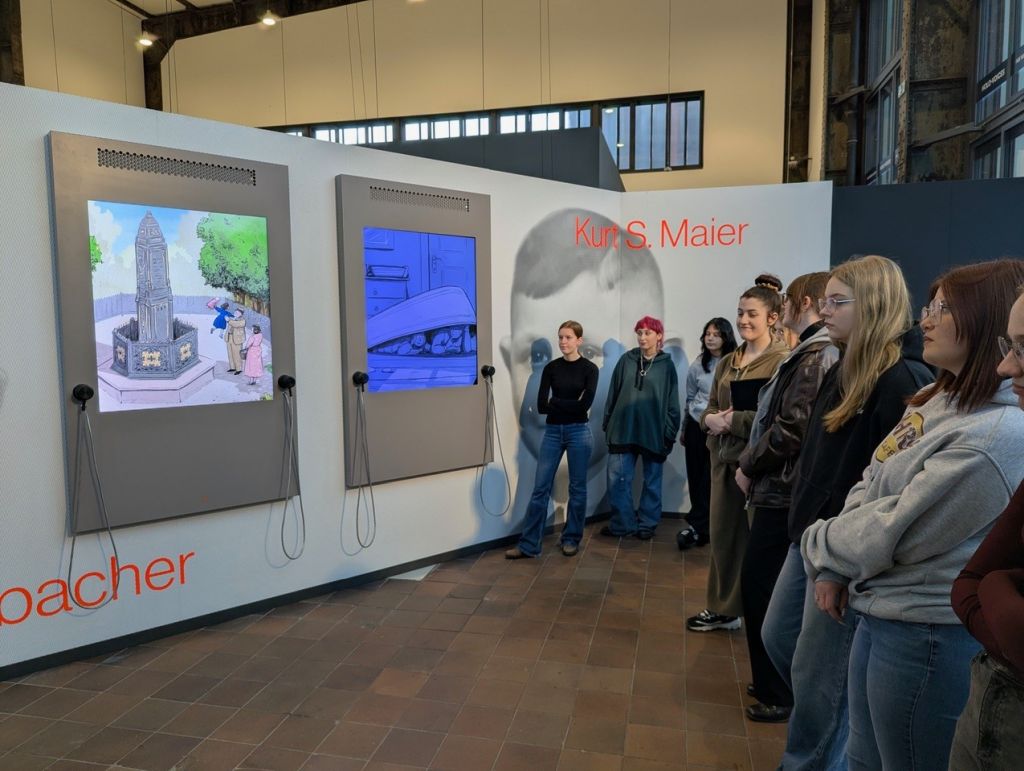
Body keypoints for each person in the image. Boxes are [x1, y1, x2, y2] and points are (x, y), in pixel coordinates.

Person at [802, 258, 1024, 771]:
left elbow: (896, 527)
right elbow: (872, 479)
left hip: (923, 632)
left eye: (943, 309)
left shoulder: (994, 436)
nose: (926, 319)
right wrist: (835, 562)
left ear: (982, 321)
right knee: (862, 757)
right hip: (883, 608)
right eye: (930, 306)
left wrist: (819, 545)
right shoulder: (938, 397)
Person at [761, 254, 932, 770]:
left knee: (821, 679)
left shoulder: (902, 380)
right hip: (812, 536)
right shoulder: (845, 365)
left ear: (873, 304)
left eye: (837, 301)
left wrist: (840, 563)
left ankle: (809, 761)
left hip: (842, 550)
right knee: (780, 640)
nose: (824, 311)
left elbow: (886, 487)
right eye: (825, 300)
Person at [733, 272, 837, 723]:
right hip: (779, 487)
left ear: (802, 303)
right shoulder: (810, 352)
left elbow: (790, 429)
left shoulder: (815, 355)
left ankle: (777, 687)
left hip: (782, 490)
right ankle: (770, 679)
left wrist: (748, 463)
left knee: (762, 588)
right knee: (762, 587)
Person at [948, 287, 1024, 771]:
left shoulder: (1000, 431)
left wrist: (996, 585)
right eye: (1009, 346)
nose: (1006, 366)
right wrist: (1001, 587)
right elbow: (968, 583)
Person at [687, 278, 789, 632]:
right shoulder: (729, 361)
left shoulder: (782, 362)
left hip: (759, 466)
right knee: (723, 537)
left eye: (752, 314)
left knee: (760, 544)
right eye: (740, 313)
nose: (744, 320)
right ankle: (723, 608)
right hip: (722, 461)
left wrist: (735, 421)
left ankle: (764, 614)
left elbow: (778, 419)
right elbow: (710, 406)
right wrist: (709, 420)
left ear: (772, 317)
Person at [506, 321, 598, 559]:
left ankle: (571, 539)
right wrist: (568, 405)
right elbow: (541, 406)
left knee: (577, 489)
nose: (563, 342)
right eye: (560, 337)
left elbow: (584, 406)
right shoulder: (551, 368)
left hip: (579, 432)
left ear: (579, 340)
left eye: (568, 337)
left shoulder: (589, 369)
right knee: (540, 488)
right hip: (553, 432)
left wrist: (556, 403)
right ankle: (529, 545)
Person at [600, 316, 681, 540]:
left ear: (659, 336)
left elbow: (673, 403)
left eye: (648, 333)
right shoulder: (626, 360)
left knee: (652, 482)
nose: (642, 337)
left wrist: (669, 434)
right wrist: (608, 424)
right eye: (639, 332)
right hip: (622, 430)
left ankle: (647, 524)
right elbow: (613, 394)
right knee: (618, 481)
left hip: (653, 433)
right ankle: (623, 524)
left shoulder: (666, 366)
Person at [677, 318, 737, 550]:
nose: (710, 338)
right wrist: (684, 428)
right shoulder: (698, 364)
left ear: (726, 337)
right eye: (707, 334)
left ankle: (712, 526)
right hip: (696, 425)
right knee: (696, 476)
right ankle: (698, 526)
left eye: (716, 334)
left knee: (714, 479)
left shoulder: (735, 362)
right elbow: (690, 399)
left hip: (722, 429)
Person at [225, 309, 246, 374]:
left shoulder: (242, 321)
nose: (236, 313)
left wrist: (228, 321)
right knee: (230, 354)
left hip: (237, 339)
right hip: (229, 337)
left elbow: (236, 324)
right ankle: (232, 367)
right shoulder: (232, 318)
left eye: (238, 312)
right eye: (235, 312)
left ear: (241, 314)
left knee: (237, 354)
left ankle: (238, 369)